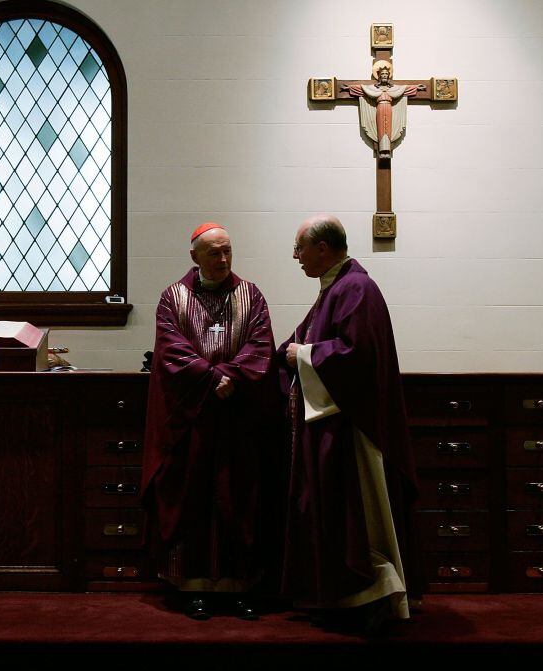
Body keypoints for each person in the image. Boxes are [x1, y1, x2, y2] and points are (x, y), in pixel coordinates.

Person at [278, 214, 419, 633]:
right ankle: (342, 595)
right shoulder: (334, 289)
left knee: (357, 515)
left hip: (352, 429)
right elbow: (302, 340)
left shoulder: (356, 289)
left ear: (323, 248)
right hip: (331, 426)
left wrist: (301, 356)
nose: (295, 256)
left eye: (300, 247)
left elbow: (353, 355)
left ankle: (373, 592)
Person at [142, 222, 279, 620]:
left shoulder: (250, 295)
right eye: (214, 253)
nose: (222, 260)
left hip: (238, 417)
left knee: (240, 498)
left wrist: (231, 377)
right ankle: (193, 587)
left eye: (227, 251)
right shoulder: (173, 298)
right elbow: (170, 348)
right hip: (194, 420)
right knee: (194, 500)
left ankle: (243, 586)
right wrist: (209, 376)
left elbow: (260, 345)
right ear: (194, 257)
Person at [344, 60, 425, 159]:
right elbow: (361, 89)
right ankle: (382, 150)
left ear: (389, 76)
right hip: (380, 108)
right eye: (382, 74)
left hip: (388, 109)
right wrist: (348, 88)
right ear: (378, 76)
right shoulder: (373, 89)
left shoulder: (394, 89)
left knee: (388, 128)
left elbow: (405, 89)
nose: (384, 76)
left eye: (386, 74)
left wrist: (417, 87)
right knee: (381, 128)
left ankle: (387, 150)